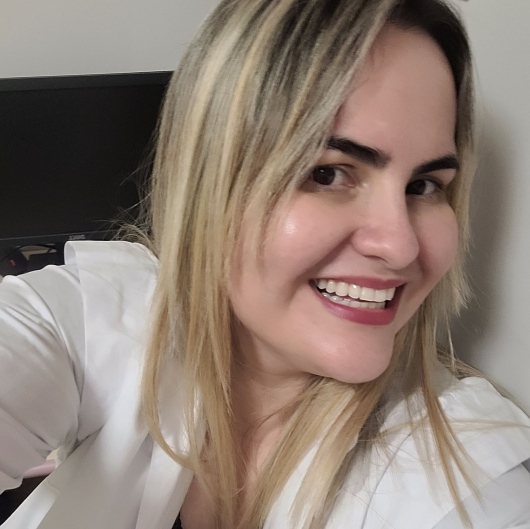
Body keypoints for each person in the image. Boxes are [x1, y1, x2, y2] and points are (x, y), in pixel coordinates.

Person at [1, 0, 530, 527]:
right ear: (211, 185)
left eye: (424, 186)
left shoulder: (463, 479)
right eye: (328, 174)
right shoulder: (100, 317)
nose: (401, 246)